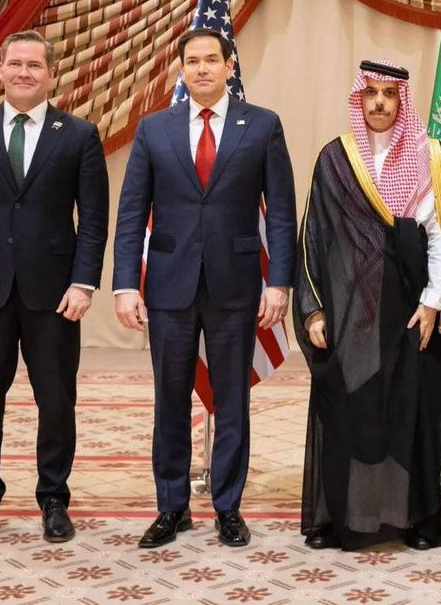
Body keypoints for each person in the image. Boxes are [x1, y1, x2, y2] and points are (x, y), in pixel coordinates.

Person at [112, 28, 296, 549]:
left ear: (230, 65)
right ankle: (171, 507)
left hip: (236, 285)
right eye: (192, 61)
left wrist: (278, 281)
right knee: (170, 399)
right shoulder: (154, 128)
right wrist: (125, 284)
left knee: (232, 400)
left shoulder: (261, 125)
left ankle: (228, 507)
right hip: (167, 285)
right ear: (181, 69)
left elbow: (281, 213)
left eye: (211, 60)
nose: (201, 69)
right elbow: (132, 212)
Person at [0, 30, 110, 548]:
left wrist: (84, 283)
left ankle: (54, 499)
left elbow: (93, 220)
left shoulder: (79, 135)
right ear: (0, 70)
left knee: (56, 402)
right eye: (16, 63)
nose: (25, 73)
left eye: (35, 65)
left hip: (55, 294)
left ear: (51, 74)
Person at [293, 60, 441, 551]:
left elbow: (438, 240)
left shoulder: (428, 155)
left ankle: (416, 520)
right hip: (350, 315)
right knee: (350, 411)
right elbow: (313, 237)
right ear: (359, 98)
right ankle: (342, 519)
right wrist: (314, 310)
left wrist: (432, 303)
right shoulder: (335, 158)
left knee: (410, 414)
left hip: (408, 312)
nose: (380, 103)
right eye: (371, 93)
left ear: (402, 101)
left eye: (390, 94)